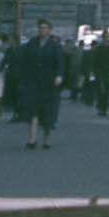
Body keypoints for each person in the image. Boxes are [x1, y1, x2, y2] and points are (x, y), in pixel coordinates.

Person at [11, 20, 65, 150]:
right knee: (33, 111)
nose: (42, 30)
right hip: (33, 83)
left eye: (45, 28)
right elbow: (25, 61)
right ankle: (32, 139)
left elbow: (60, 63)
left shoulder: (55, 46)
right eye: (40, 28)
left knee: (48, 113)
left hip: (49, 83)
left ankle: (47, 140)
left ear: (50, 30)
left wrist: (59, 76)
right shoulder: (32, 43)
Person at [87, 34, 109, 117]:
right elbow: (94, 60)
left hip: (107, 71)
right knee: (101, 89)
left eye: (107, 38)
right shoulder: (99, 48)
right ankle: (101, 107)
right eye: (105, 38)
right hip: (99, 71)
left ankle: (104, 108)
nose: (106, 39)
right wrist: (93, 71)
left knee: (106, 90)